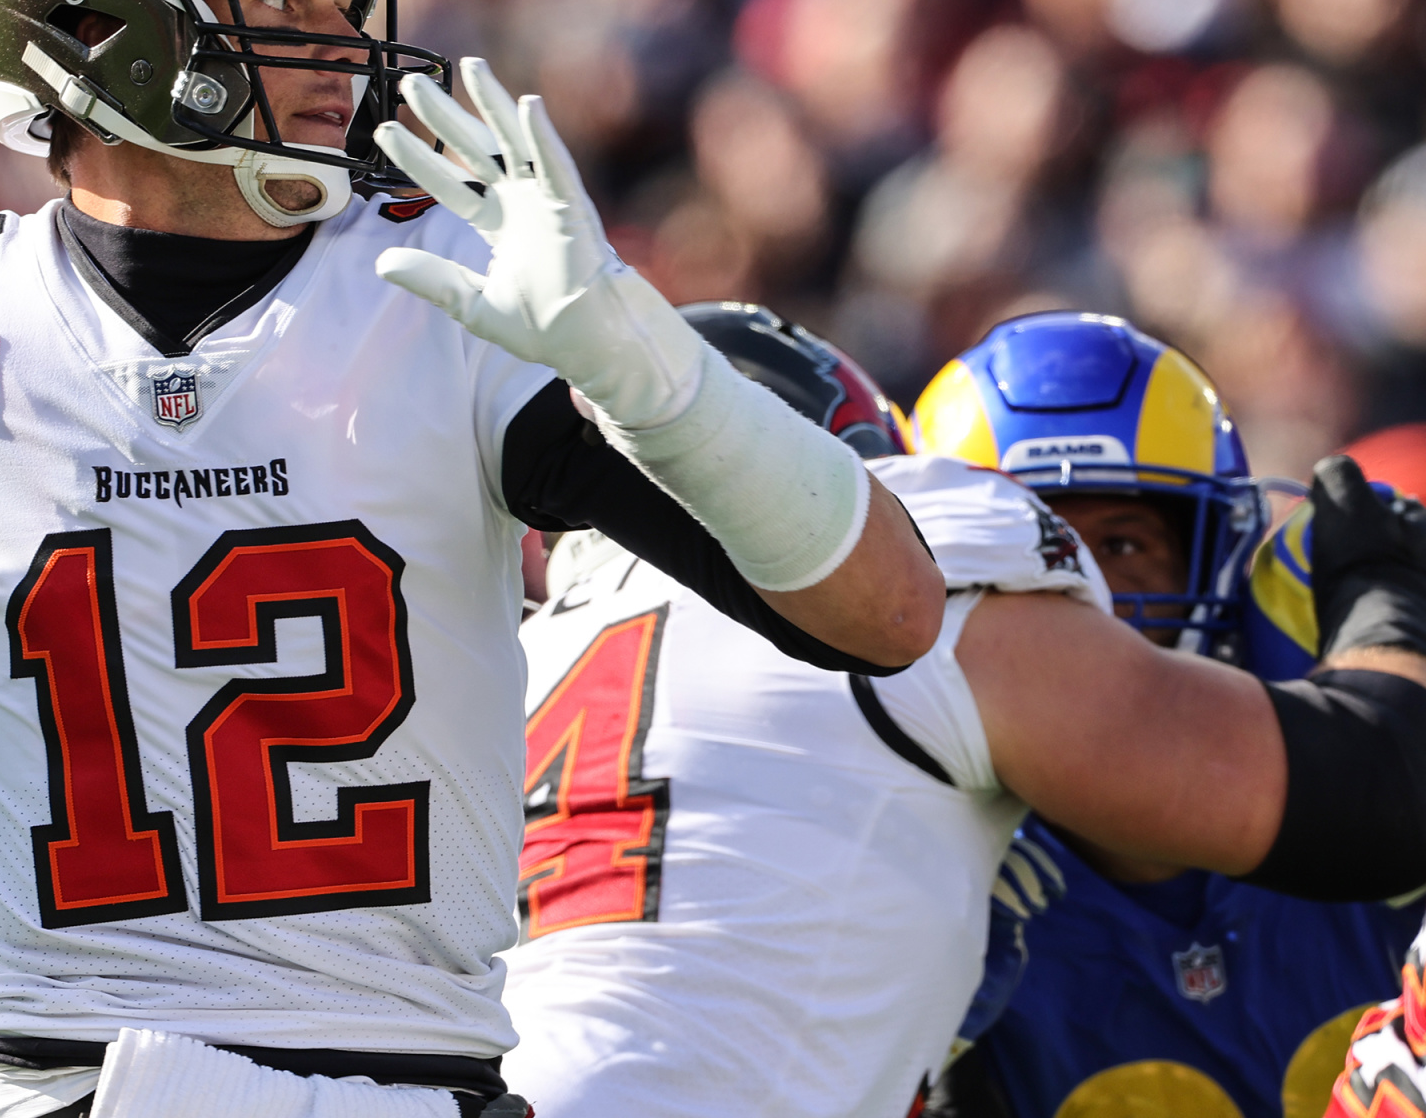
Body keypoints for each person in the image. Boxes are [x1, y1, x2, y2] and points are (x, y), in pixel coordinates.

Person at [0, 0, 943, 1118]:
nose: (343, 47)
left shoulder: (456, 295)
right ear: (108, 15)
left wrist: (647, 368)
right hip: (59, 1079)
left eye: (348, 1)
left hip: (409, 1080)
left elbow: (889, 617)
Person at [495, 303, 1426, 1118]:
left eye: (1132, 541)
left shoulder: (528, 658)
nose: (1100, 590)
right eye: (1056, 543)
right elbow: (1382, 781)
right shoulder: (922, 628)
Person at [915, 315, 1424, 1118]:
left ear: (1218, 557)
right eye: (1035, 547)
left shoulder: (1377, 808)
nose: (1079, 597)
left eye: (1120, 547)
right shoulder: (933, 881)